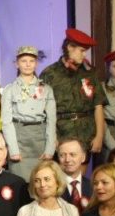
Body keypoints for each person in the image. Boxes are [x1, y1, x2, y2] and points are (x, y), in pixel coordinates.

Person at [39, 28, 105, 159]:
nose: (84, 55)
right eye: (82, 50)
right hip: (60, 132)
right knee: (61, 170)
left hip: (86, 132)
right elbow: (42, 110)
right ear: (69, 47)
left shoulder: (90, 73)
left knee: (80, 171)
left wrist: (99, 136)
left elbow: (98, 106)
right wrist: (51, 137)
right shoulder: (49, 73)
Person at [0, 45, 56, 182]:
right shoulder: (9, 90)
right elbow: (6, 121)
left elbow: (51, 120)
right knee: (19, 182)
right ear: (16, 64)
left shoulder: (46, 89)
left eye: (31, 61)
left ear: (36, 64)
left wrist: (50, 149)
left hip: (40, 139)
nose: (28, 64)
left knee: (41, 181)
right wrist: (13, 149)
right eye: (23, 61)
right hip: (19, 138)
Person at [56, 137, 92, 210]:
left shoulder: (93, 186)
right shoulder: (51, 186)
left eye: (72, 154)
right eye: (62, 155)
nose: (67, 159)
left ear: (83, 157)